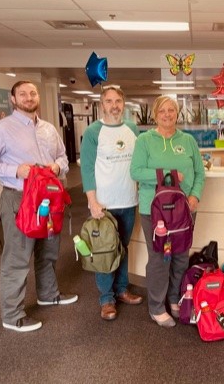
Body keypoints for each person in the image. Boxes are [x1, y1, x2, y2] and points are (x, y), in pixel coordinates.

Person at [0, 80, 77, 332]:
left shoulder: (49, 129)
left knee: (48, 251)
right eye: (23, 94)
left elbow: (62, 156)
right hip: (20, 199)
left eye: (32, 93)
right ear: (13, 99)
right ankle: (12, 314)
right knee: (17, 257)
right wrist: (15, 170)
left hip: (49, 199)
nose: (29, 98)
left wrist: (57, 166)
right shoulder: (0, 130)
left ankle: (48, 294)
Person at [130, 96, 205, 328]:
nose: (167, 114)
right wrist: (168, 174)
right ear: (155, 114)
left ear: (177, 114)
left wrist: (194, 195)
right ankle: (156, 306)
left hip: (184, 209)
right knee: (160, 258)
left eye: (172, 110)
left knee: (181, 255)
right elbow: (136, 171)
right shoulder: (145, 140)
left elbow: (200, 173)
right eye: (162, 110)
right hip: (154, 210)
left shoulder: (188, 140)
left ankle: (175, 298)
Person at [79, 86, 143, 321]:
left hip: (128, 199)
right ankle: (106, 299)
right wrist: (92, 201)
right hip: (103, 204)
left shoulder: (132, 129)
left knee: (122, 248)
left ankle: (122, 289)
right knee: (105, 251)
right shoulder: (94, 132)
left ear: (123, 103)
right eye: (109, 101)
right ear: (101, 104)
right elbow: (86, 168)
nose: (114, 105)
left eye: (118, 100)